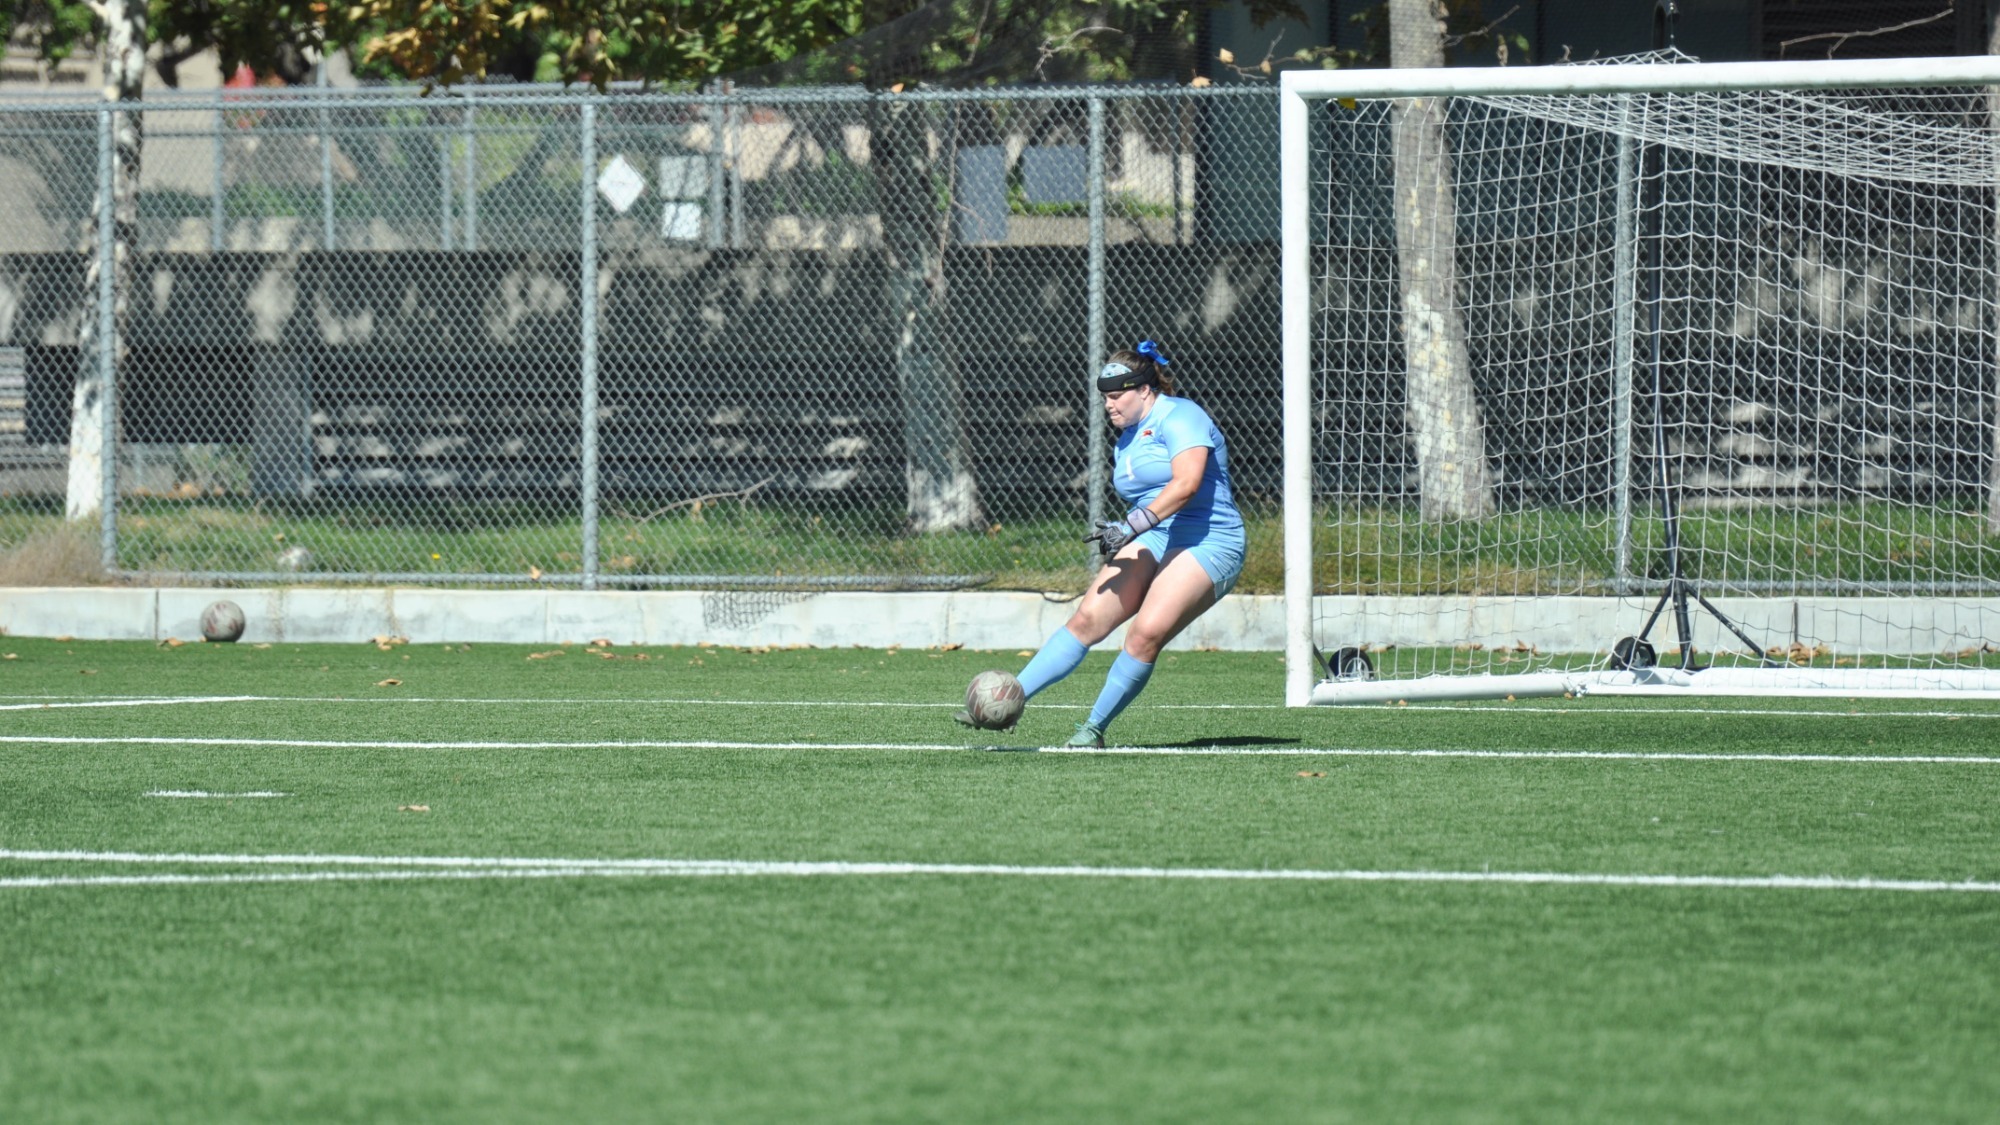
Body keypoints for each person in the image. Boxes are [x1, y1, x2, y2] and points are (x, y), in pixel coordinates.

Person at [962, 339, 1246, 747]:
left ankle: (1093, 729)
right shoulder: (1127, 436)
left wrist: (1131, 524)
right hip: (1156, 532)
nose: (1109, 405)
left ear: (1145, 390)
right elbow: (1149, 500)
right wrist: (1129, 524)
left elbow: (1186, 485)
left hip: (1210, 539)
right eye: (1105, 398)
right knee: (1086, 620)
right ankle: (1005, 702)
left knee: (1144, 633)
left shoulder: (1181, 415)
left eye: (1117, 396)